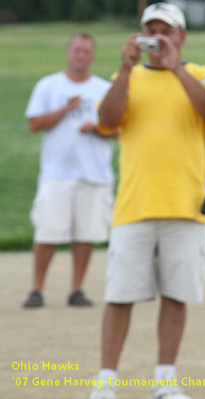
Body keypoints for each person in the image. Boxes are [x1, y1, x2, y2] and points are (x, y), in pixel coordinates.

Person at [89, 3, 205, 399]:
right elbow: (108, 120)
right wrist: (127, 68)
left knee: (177, 295)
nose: (156, 36)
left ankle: (165, 381)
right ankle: (106, 382)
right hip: (134, 206)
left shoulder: (202, 74)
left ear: (181, 36)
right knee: (119, 296)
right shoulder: (124, 77)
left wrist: (177, 67)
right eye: (150, 29)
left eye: (164, 30)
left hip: (187, 207)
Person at [23, 32, 115, 309]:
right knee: (47, 234)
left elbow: (117, 128)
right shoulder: (49, 86)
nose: (81, 55)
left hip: (94, 173)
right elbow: (35, 124)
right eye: (77, 50)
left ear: (93, 56)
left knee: (86, 235)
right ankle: (36, 289)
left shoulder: (103, 89)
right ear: (68, 52)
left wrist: (97, 129)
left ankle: (77, 289)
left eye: (87, 51)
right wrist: (64, 110)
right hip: (57, 174)